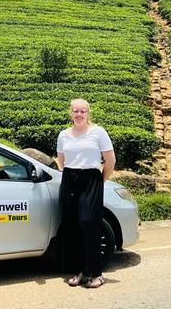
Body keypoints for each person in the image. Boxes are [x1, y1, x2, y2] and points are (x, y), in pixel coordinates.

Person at [56, 98, 116, 289]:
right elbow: (61, 161)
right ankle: (80, 271)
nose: (79, 114)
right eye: (75, 111)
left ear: (88, 113)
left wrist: (99, 181)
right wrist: (71, 176)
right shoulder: (63, 135)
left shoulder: (98, 132)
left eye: (83, 111)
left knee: (88, 222)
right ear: (71, 113)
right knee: (72, 225)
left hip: (91, 179)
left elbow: (110, 160)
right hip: (70, 179)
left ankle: (96, 273)